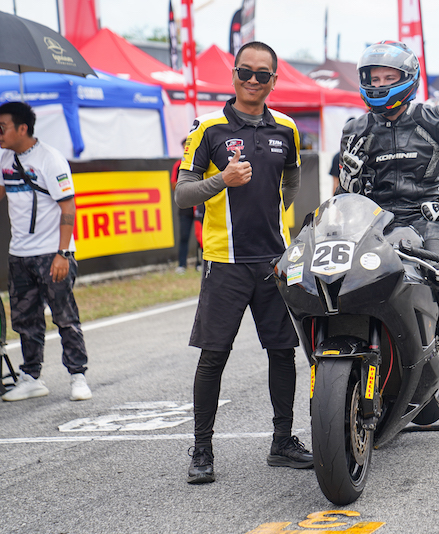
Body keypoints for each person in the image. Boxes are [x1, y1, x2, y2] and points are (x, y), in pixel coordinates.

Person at [174, 41, 309, 485]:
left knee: (282, 353)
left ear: (274, 80)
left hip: (273, 261)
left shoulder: (286, 127)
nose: (253, 81)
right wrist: (223, 179)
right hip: (225, 263)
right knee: (213, 357)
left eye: (262, 74)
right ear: (233, 75)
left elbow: (292, 175)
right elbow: (182, 194)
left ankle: (282, 443)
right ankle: (202, 451)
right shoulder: (208, 127)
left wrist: (280, 211)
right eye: (245, 72)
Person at [338, 41, 439, 366]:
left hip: (427, 215)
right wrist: (350, 178)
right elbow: (350, 192)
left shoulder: (435, 117)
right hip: (375, 222)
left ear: (408, 77)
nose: (380, 84)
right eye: (374, 78)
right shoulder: (355, 129)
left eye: (388, 77)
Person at [0, 102, 92, 402]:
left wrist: (63, 253)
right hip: (19, 254)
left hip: (52, 253)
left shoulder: (50, 159)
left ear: (22, 128)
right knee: (25, 319)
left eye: (3, 128)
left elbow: (68, 207)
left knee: (64, 316)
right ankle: (31, 377)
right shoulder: (4, 158)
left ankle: (78, 376)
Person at [171, 138, 195, 274]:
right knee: (184, 236)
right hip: (185, 206)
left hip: (200, 206)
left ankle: (200, 263)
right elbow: (174, 184)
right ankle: (182, 264)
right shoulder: (179, 165)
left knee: (201, 237)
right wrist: (187, 189)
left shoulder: (201, 161)